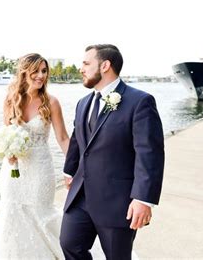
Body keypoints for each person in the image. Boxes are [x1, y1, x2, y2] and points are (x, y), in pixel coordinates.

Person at [60, 44, 165, 260]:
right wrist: (70, 171)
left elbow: (149, 154)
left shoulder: (140, 102)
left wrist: (143, 199)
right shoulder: (83, 103)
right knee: (69, 244)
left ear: (105, 65)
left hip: (117, 201)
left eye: (86, 63)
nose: (81, 68)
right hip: (80, 196)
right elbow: (78, 141)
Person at [0, 53, 70, 259]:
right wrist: (8, 153)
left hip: (41, 170)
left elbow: (63, 138)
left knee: (41, 214)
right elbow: (7, 133)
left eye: (44, 71)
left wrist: (74, 168)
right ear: (25, 72)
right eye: (36, 71)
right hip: (13, 171)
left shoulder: (51, 103)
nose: (41, 76)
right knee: (11, 213)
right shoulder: (10, 100)